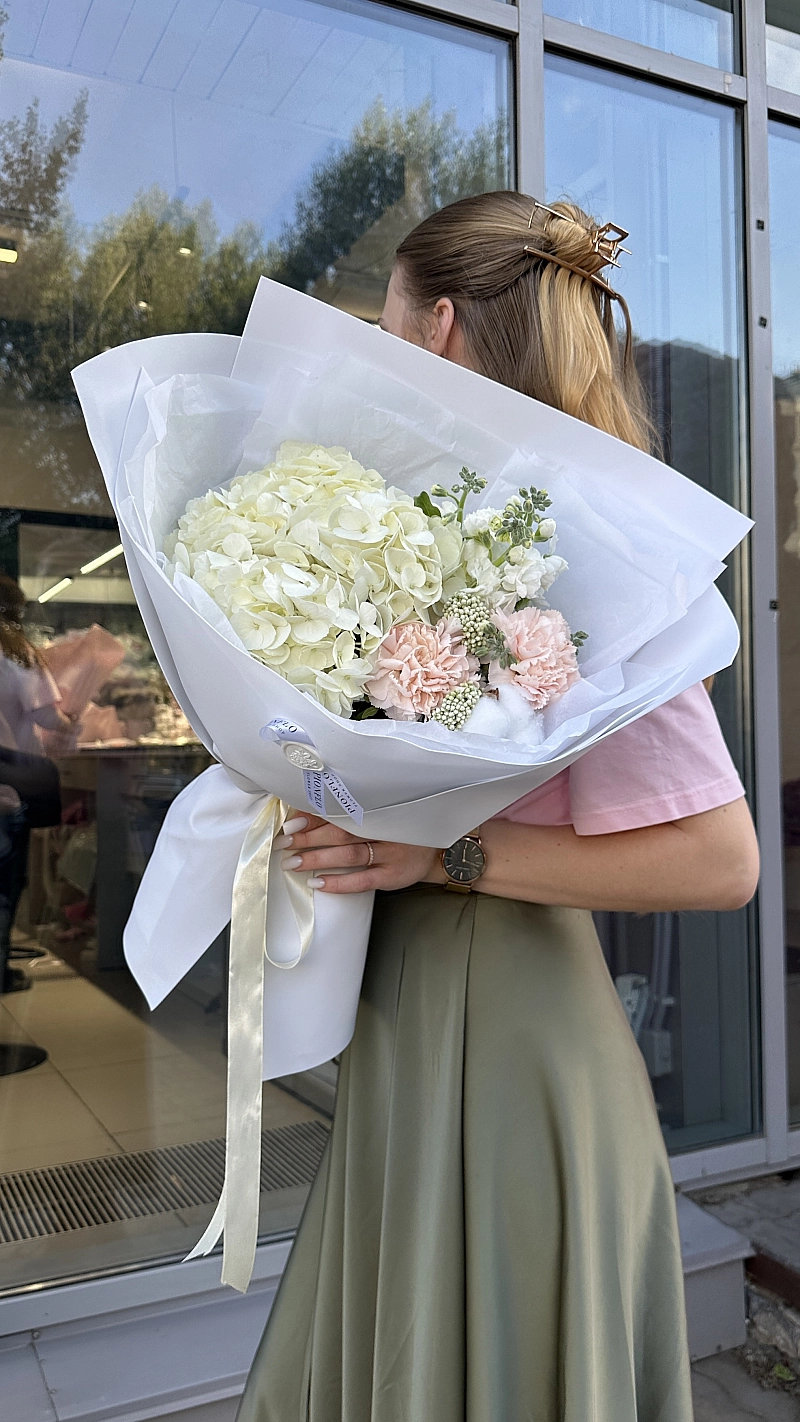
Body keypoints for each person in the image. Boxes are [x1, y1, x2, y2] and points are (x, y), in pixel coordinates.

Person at [237, 195, 760, 1422]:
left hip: (507, 1031)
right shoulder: (441, 527)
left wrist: (441, 854)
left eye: (382, 324)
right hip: (421, 1008)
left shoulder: (584, 543)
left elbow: (717, 859)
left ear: (436, 328)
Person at [0, 574, 77, 992]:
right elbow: (46, 715)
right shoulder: (15, 652)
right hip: (9, 786)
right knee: (5, 882)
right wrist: (70, 721)